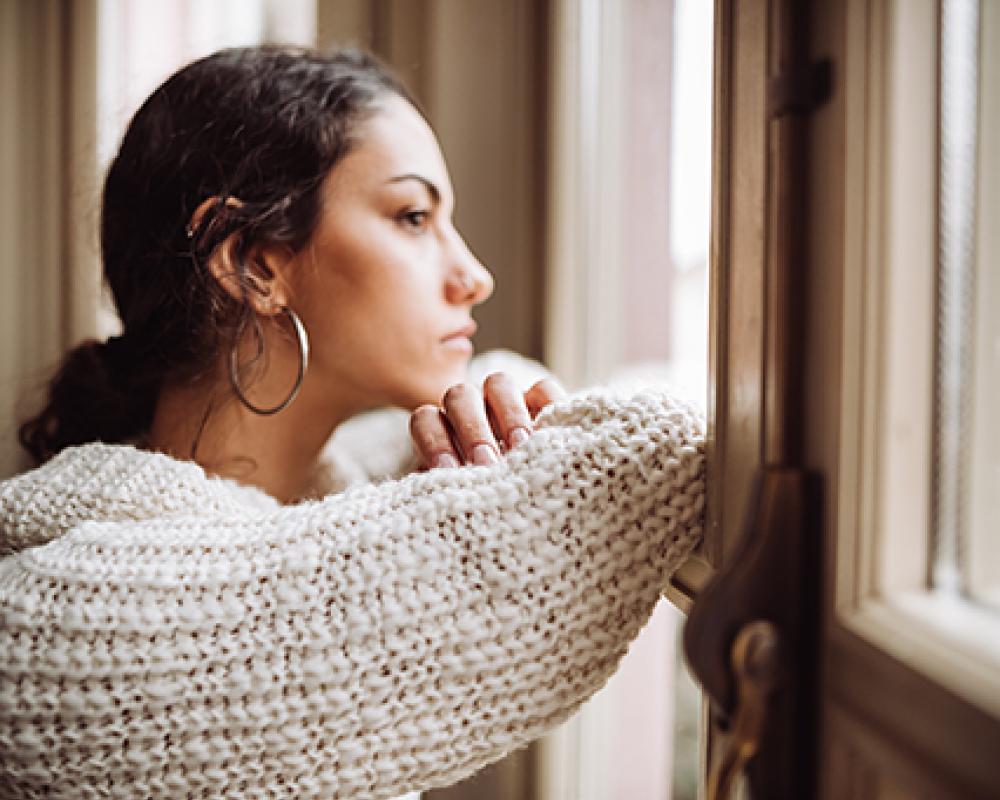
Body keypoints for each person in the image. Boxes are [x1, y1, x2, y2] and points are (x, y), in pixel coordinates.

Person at [0, 47, 705, 799]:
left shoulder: (322, 498)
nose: (473, 275)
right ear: (254, 264)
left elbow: (507, 381)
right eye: (412, 217)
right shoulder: (67, 625)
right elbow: (640, 459)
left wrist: (515, 406)